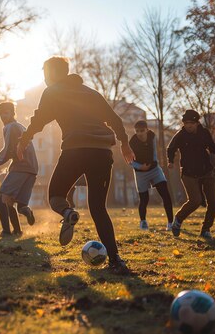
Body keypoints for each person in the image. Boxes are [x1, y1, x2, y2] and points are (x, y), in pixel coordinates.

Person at [16, 56, 135, 274]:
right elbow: (114, 119)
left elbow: (38, 120)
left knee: (54, 196)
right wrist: (125, 144)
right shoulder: (90, 92)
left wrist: (23, 141)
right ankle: (116, 260)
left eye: (45, 74)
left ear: (52, 74)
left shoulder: (52, 91)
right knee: (98, 208)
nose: (44, 79)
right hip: (102, 152)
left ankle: (68, 212)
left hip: (76, 150)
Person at [167, 110, 215, 239]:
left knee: (214, 202)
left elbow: (211, 146)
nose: (188, 126)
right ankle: (178, 219)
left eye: (191, 123)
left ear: (197, 123)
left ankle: (206, 229)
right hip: (189, 173)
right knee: (195, 201)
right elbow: (171, 148)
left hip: (206, 171)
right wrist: (171, 161)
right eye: (186, 123)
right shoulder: (181, 135)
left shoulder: (204, 133)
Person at [0, 101, 37, 236]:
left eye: (6, 113)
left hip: (21, 168)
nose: (3, 116)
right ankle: (18, 228)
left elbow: (7, 151)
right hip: (33, 169)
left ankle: (6, 231)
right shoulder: (21, 126)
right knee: (16, 204)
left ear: (12, 113)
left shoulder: (10, 127)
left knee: (0, 200)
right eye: (1, 114)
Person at [129, 120, 174, 231]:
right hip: (140, 173)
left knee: (165, 195)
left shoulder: (152, 136)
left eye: (142, 131)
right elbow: (129, 161)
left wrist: (153, 163)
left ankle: (170, 223)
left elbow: (154, 152)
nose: (140, 133)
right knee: (144, 199)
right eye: (137, 131)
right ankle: (143, 221)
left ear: (147, 130)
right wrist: (140, 167)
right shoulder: (132, 142)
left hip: (154, 170)